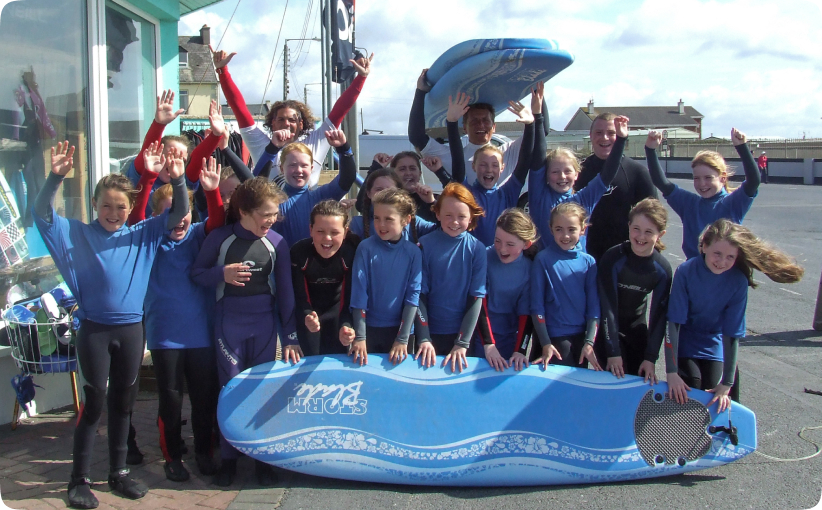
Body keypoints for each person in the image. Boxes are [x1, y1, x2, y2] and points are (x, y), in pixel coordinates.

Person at [33, 142, 189, 509]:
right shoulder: (74, 234)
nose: (113, 212)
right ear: (94, 206)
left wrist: (180, 179)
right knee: (95, 403)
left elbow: (180, 211)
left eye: (121, 206)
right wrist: (55, 177)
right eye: (106, 205)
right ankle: (79, 479)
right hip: (95, 331)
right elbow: (41, 213)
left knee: (124, 402)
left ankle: (118, 473)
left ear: (131, 207)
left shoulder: (145, 233)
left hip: (132, 331)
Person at [190, 177, 298, 487]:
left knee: (262, 393)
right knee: (232, 393)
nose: (272, 220)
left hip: (264, 326)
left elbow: (287, 294)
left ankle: (262, 460)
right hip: (229, 326)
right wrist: (221, 273)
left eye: (275, 214)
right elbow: (197, 274)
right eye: (266, 214)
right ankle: (229, 460)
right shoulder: (220, 239)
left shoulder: (276, 242)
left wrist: (289, 336)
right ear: (245, 212)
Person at [128, 152, 224, 482]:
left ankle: (204, 452)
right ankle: (172, 456)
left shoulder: (198, 234)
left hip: (201, 333)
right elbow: (136, 214)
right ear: (157, 217)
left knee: (203, 398)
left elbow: (217, 221)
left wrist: (210, 191)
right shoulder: (149, 240)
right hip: (164, 334)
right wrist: (148, 177)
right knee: (170, 399)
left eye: (182, 212)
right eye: (169, 213)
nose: (178, 219)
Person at [665, 219, 803, 412]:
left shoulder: (738, 281)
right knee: (691, 386)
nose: (722, 262)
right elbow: (673, 323)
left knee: (714, 394)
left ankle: (716, 437)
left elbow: (732, 333)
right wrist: (671, 372)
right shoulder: (686, 271)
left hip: (714, 343)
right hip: (687, 341)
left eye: (730, 257)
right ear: (704, 246)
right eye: (717, 254)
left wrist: (727, 383)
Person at [212, 47, 373, 186]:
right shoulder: (260, 144)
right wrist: (222, 71)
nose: (286, 124)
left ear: (301, 124)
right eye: (281, 119)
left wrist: (361, 78)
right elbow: (239, 109)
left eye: (292, 120)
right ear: (272, 124)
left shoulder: (315, 142)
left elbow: (340, 110)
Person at [645, 128, 761, 259]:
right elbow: (662, 183)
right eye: (696, 178)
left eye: (708, 178)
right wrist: (650, 149)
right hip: (694, 273)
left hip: (725, 272)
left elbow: (753, 181)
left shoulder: (733, 203)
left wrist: (742, 147)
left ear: (723, 178)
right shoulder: (689, 204)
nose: (702, 184)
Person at [408, 68, 538, 185]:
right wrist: (421, 91)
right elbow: (417, 137)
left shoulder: (508, 152)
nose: (480, 125)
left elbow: (541, 132)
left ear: (494, 127)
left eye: (485, 120)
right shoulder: (451, 156)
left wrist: (537, 90)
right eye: (474, 121)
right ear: (465, 127)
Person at [530, 105, 630, 249]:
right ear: (545, 175)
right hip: (545, 268)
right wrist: (538, 116)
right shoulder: (539, 196)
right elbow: (538, 156)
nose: (562, 176)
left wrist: (620, 139)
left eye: (567, 171)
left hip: (579, 268)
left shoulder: (583, 200)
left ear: (577, 174)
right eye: (555, 172)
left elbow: (607, 174)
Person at [446, 90, 535, 247]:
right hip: (473, 258)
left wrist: (530, 124)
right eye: (483, 164)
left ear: (502, 168)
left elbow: (524, 162)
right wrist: (452, 122)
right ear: (473, 167)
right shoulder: (466, 193)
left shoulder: (508, 193)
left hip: (501, 257)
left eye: (494, 165)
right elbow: (457, 160)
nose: (489, 170)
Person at [596, 198, 672, 382]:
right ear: (629, 225)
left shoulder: (662, 269)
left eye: (648, 232)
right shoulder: (613, 258)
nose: (640, 237)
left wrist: (650, 357)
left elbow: (659, 317)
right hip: (608, 332)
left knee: (637, 385)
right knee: (615, 384)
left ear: (660, 234)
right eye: (636, 229)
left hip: (636, 333)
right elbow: (608, 307)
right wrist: (613, 351)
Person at [414, 183, 487, 373]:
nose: (455, 222)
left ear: (471, 217)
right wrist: (424, 338)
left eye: (461, 216)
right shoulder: (424, 245)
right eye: (448, 215)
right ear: (437, 214)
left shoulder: (477, 249)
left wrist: (462, 343)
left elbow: (476, 297)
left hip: (461, 336)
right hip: (430, 334)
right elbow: (418, 294)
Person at [349, 188, 422, 365]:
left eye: (389, 219)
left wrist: (403, 339)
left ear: (406, 220)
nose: (381, 225)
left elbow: (413, 297)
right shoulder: (365, 248)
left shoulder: (413, 252)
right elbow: (359, 294)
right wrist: (360, 336)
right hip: (369, 330)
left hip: (400, 332)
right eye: (376, 218)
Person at [574, 112, 658, 261]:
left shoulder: (637, 172)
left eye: (611, 133)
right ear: (591, 135)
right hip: (583, 256)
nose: (604, 137)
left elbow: (655, 218)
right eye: (599, 132)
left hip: (624, 258)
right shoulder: (575, 172)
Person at [125, 95, 225, 217]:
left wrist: (217, 135)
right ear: (155, 154)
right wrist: (159, 124)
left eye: (181, 159)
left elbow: (197, 160)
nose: (174, 161)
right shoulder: (142, 174)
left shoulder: (184, 182)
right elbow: (148, 150)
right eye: (170, 155)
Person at [530, 202, 601, 371]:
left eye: (571, 229)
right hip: (553, 340)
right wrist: (545, 343)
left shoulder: (588, 262)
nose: (565, 235)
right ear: (550, 228)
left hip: (581, 340)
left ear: (583, 229)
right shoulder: (543, 260)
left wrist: (589, 342)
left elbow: (594, 308)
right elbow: (537, 306)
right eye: (559, 229)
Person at [262, 128, 357, 247]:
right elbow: (255, 182)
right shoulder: (271, 200)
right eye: (292, 165)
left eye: (304, 165)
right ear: (282, 168)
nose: (299, 170)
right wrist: (272, 148)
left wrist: (343, 148)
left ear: (311, 168)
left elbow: (346, 179)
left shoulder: (320, 197)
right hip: (282, 263)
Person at [291, 200, 360, 356]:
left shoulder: (350, 253)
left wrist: (347, 324)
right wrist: (307, 314)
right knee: (309, 362)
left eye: (334, 232)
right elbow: (300, 294)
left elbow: (348, 296)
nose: (327, 238)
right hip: (308, 316)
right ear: (310, 229)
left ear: (345, 232)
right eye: (320, 231)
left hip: (338, 314)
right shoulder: (300, 252)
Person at [474, 209, 538, 371]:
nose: (502, 249)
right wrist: (488, 344)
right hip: (479, 336)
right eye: (497, 241)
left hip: (509, 340)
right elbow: (479, 303)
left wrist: (520, 350)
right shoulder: (485, 257)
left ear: (526, 244)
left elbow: (526, 313)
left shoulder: (529, 269)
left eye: (510, 244)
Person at [355, 152, 444, 223]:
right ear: (393, 173)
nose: (408, 173)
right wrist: (375, 167)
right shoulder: (387, 200)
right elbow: (361, 205)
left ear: (420, 173)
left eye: (412, 168)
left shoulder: (432, 198)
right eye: (402, 169)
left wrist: (431, 203)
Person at [351, 168, 436, 243]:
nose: (384, 194)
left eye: (390, 190)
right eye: (379, 189)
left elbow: (443, 230)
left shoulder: (412, 221)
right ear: (369, 193)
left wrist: (431, 203)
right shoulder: (357, 224)